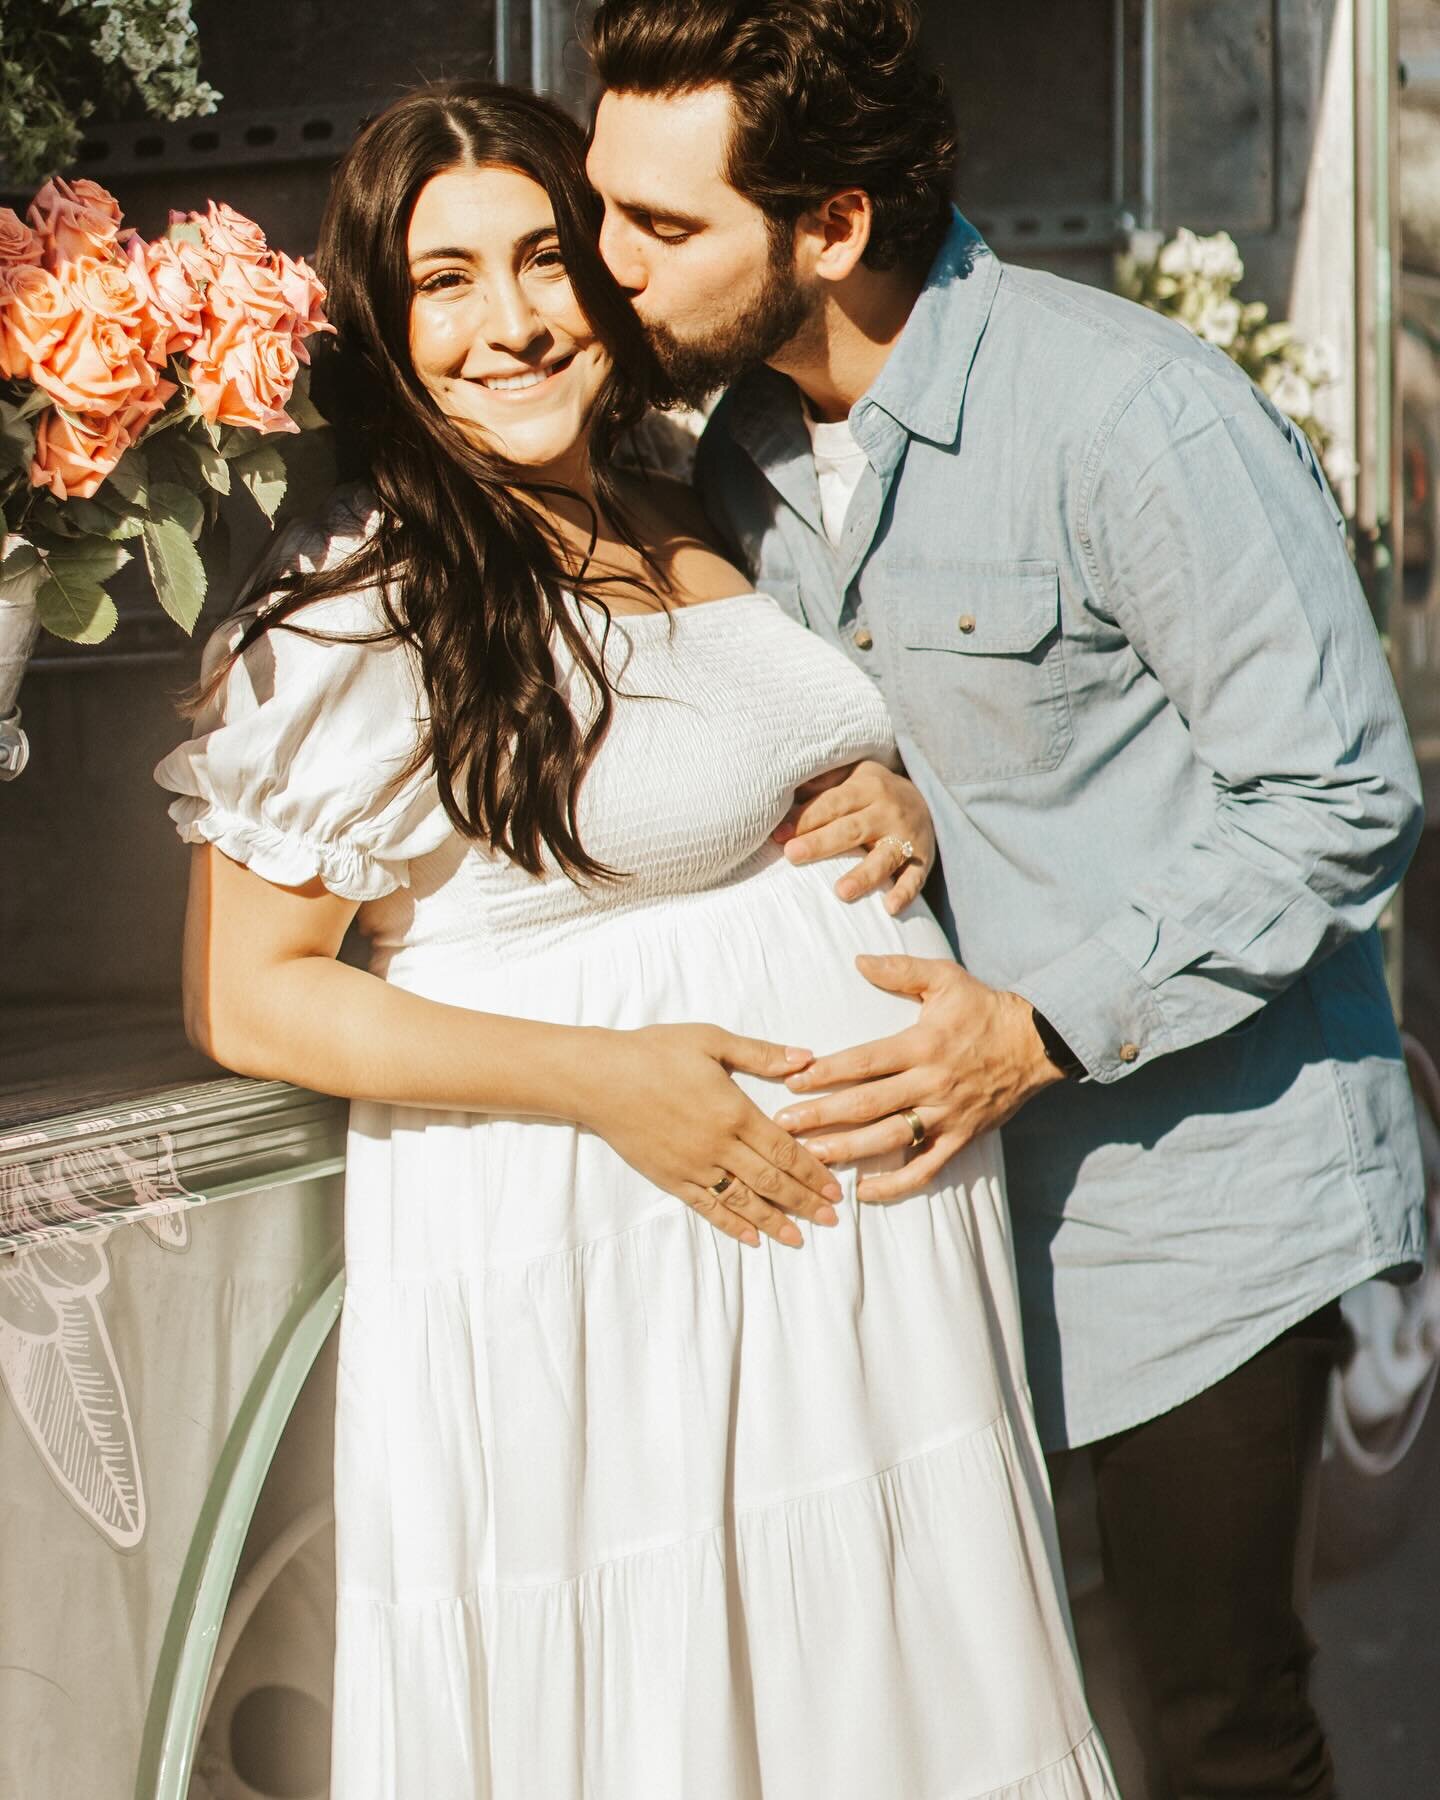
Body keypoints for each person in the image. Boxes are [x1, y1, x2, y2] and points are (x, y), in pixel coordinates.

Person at [156, 82, 1115, 1800]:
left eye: (542, 259)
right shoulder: (365, 597)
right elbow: (250, 994)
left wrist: (887, 787)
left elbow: (727, 757)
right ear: (382, 322)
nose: (512, 323)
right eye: (444, 281)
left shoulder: (683, 497)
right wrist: (609, 1086)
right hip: (612, 1257)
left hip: (860, 1280)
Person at [584, 4, 1428, 1795]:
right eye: (608, 209)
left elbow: (1343, 795)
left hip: (1200, 1213)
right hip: (919, 1233)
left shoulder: (1135, 414)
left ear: (831, 229)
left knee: (1208, 1731)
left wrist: (1038, 1027)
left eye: (663, 229)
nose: (608, 269)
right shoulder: (729, 452)